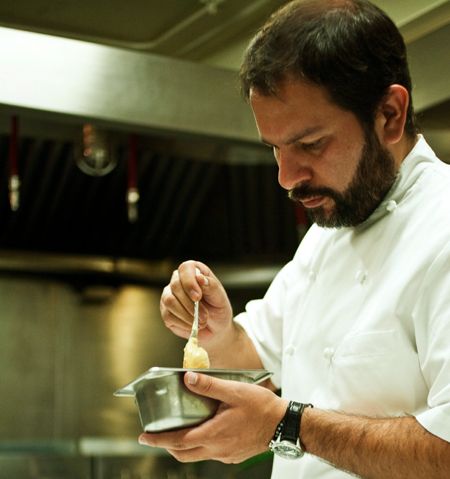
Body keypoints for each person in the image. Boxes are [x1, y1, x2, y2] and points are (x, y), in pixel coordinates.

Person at [138, 0, 450, 477]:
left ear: (390, 114)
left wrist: (288, 426)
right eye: (275, 149)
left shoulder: (441, 226)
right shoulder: (329, 232)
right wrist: (219, 331)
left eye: (310, 144)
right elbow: (257, 361)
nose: (286, 178)